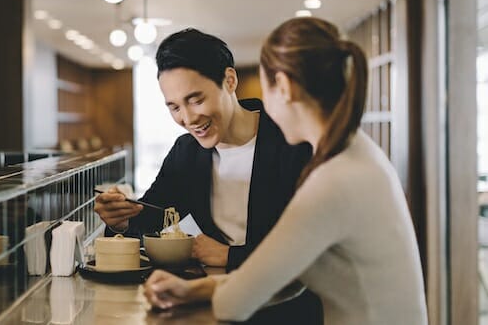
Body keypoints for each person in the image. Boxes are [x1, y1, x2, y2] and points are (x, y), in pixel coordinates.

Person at [143, 18, 428, 325]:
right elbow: (285, 277)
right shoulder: (355, 152)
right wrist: (195, 288)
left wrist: (200, 290)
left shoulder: (334, 180)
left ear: (284, 87)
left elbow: (234, 305)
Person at [95, 28, 322, 324]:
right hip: (212, 310)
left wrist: (228, 255)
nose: (188, 119)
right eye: (174, 107)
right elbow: (153, 216)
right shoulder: (186, 152)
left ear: (229, 80)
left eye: (196, 99)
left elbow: (308, 251)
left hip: (283, 311)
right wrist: (121, 218)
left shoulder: (292, 143)